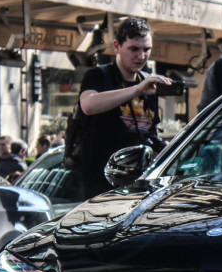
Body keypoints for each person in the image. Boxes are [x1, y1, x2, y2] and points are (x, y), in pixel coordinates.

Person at [71, 16, 171, 198]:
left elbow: (148, 132)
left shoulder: (147, 83)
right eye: (133, 49)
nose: (141, 57)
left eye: (146, 49)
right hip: (100, 185)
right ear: (117, 47)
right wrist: (136, 90)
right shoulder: (98, 75)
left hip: (138, 186)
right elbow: (88, 105)